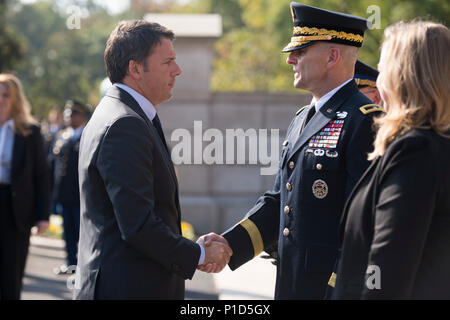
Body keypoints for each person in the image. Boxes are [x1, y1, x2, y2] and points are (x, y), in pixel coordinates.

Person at [200, 2, 384, 299]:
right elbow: (280, 203)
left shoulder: (365, 120)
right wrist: (230, 244)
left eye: (300, 52)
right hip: (292, 285)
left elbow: (364, 223)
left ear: (332, 56)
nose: (290, 61)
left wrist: (339, 288)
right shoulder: (302, 118)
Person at [74, 20, 232, 300]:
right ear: (135, 68)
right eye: (168, 61)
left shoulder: (121, 113)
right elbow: (138, 226)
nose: (178, 70)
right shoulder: (125, 124)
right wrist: (198, 254)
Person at [331, 21, 450, 299]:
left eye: (382, 71)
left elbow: (387, 270)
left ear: (401, 77)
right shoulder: (431, 146)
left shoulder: (415, 152)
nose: (379, 82)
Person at [0, 73, 50, 299]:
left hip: (15, 209)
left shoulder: (30, 132)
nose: (1, 100)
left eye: (6, 95)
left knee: (11, 274)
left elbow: (41, 175)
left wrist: (42, 215)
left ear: (15, 99)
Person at [49, 99, 89, 274]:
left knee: (83, 233)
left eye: (73, 114)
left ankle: (84, 267)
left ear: (81, 116)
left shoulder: (87, 135)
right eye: (67, 114)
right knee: (68, 232)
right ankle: (71, 263)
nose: (69, 118)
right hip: (64, 194)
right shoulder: (62, 136)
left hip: (81, 195)